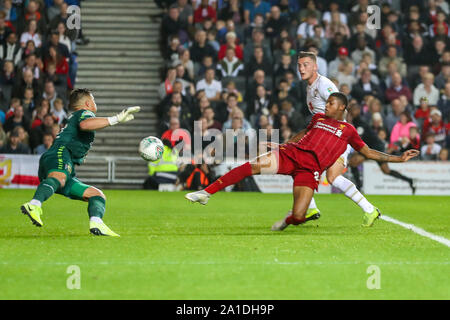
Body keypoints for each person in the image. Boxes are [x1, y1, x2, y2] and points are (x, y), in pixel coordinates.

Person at [185, 93, 419, 229]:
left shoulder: (348, 130)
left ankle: (287, 221)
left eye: (330, 103)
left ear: (342, 108)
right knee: (250, 166)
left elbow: (368, 152)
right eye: (326, 102)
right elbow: (302, 133)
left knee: (298, 216)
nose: (326, 105)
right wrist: (283, 145)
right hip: (291, 155)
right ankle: (207, 192)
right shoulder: (318, 118)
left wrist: (398, 158)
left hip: (310, 170)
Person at [20, 89, 141, 237]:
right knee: (60, 178)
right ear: (88, 103)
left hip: (60, 162)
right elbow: (85, 125)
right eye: (94, 101)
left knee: (96, 195)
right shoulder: (85, 113)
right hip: (60, 155)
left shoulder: (73, 117)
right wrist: (115, 119)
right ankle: (34, 204)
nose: (95, 104)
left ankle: (97, 223)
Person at [296, 51, 378, 222]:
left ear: (315, 66)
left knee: (311, 170)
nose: (302, 69)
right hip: (323, 136)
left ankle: (311, 208)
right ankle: (312, 208)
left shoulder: (323, 84)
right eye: (299, 65)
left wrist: (336, 134)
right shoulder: (310, 87)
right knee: (320, 174)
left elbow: (342, 108)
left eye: (306, 65)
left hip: (334, 137)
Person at [347, 102, 416, 194]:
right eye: (351, 110)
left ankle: (359, 187)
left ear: (359, 111)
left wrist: (356, 150)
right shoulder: (356, 122)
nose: (352, 112)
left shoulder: (360, 122)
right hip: (371, 147)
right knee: (386, 171)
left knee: (353, 162)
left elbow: (359, 138)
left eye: (354, 110)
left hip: (375, 148)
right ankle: (410, 180)